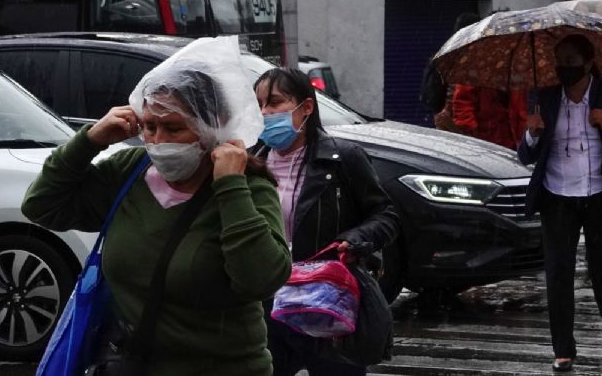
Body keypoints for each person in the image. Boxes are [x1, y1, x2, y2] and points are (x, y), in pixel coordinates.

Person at [21, 38, 291, 376]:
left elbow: (262, 279)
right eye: (150, 126)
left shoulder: (247, 186)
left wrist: (229, 186)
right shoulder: (129, 171)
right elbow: (41, 206)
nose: (159, 141)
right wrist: (88, 141)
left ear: (212, 125)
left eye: (174, 128)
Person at [517, 34, 602, 372]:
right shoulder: (546, 96)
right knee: (558, 272)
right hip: (557, 196)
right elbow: (525, 155)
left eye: (570, 60)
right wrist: (531, 134)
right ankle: (563, 349)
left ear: (589, 63)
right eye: (558, 60)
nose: (562, 67)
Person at [252, 67, 400, 376]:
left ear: (306, 107)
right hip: (266, 305)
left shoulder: (343, 159)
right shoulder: (250, 162)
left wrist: (356, 239)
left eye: (275, 102)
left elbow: (386, 215)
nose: (266, 112)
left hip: (324, 302)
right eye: (259, 104)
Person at [445, 84, 528, 149]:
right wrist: (471, 131)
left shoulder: (518, 70)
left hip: (514, 137)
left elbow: (520, 105)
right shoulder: (477, 69)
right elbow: (462, 103)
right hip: (485, 137)